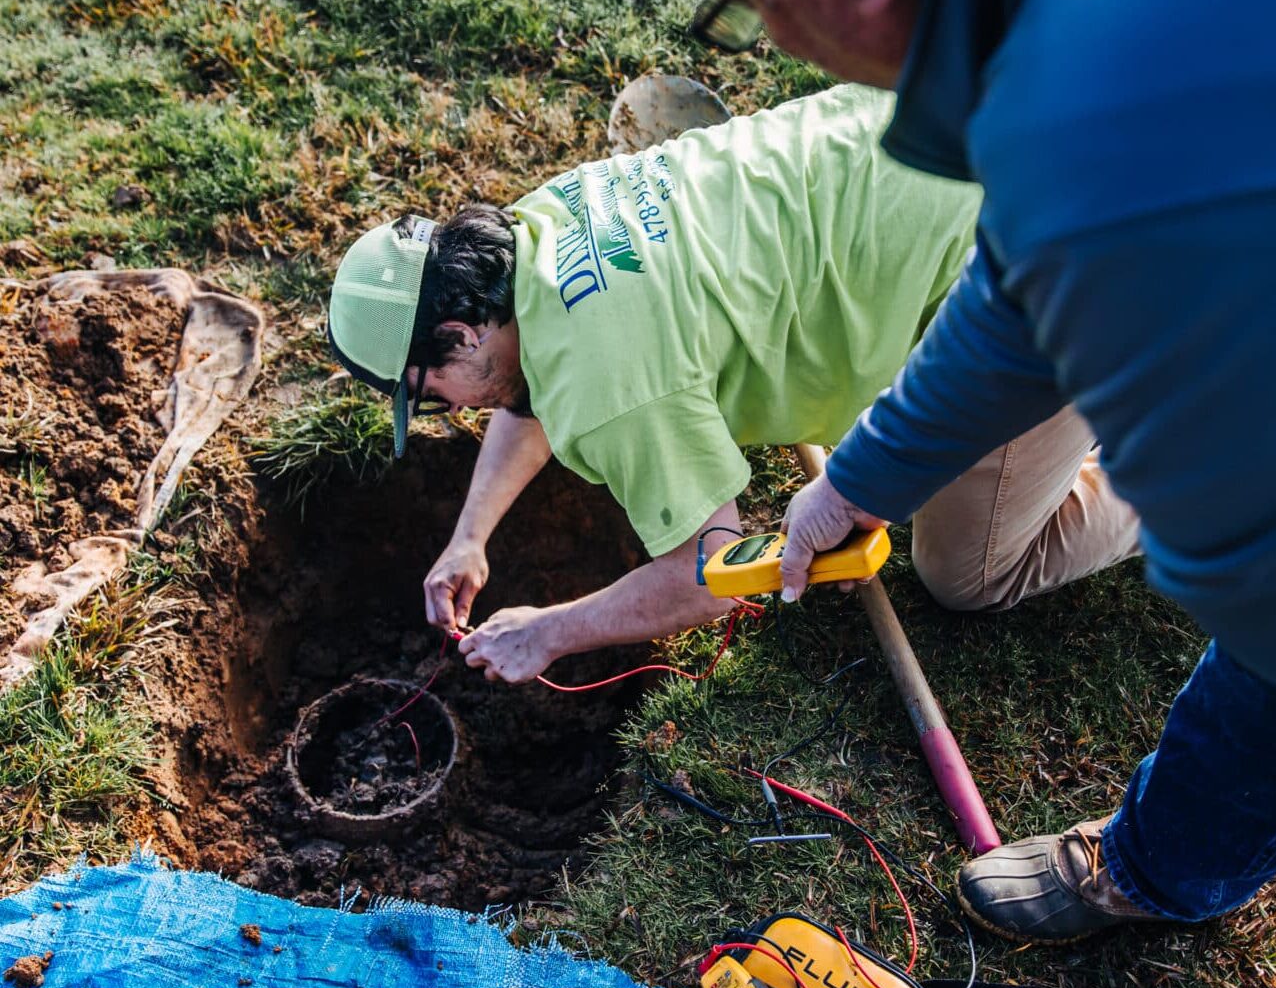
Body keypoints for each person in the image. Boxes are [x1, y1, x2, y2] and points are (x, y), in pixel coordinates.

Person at [614, 0, 1276, 943]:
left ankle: (1165, 867)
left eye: (743, 0)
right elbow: (1015, 287)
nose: (768, 38)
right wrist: (855, 480)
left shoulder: (1099, 127)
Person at [326, 84, 1136, 689]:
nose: (450, 408)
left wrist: (550, 632)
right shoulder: (534, 229)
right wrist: (471, 535)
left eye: (428, 390)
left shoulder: (612, 386)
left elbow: (707, 577)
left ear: (459, 333)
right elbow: (528, 387)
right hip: (950, 122)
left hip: (1034, 261)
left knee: (967, 573)